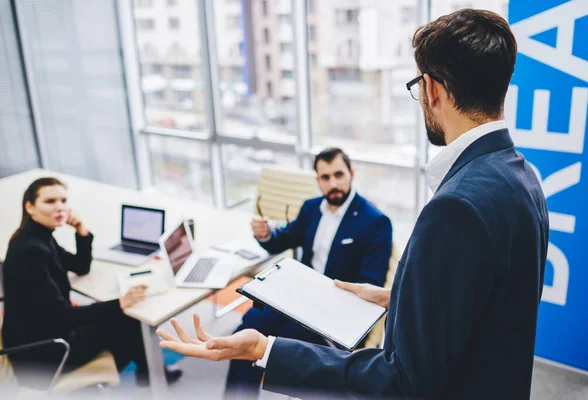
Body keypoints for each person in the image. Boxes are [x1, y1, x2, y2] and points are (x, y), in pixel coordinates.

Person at [157, 9, 550, 400]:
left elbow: (404, 381)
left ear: (432, 89)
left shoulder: (456, 207)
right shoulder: (523, 178)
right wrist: (399, 297)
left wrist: (265, 350)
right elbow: (487, 305)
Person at [225, 147, 393, 398]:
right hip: (296, 300)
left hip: (332, 314)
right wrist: (266, 234)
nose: (333, 183)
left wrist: (325, 300)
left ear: (351, 173)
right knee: (244, 332)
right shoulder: (311, 208)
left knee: (276, 345)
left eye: (339, 174)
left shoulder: (375, 222)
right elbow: (282, 239)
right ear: (318, 180)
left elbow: (371, 284)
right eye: (325, 178)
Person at [1, 177, 182, 388]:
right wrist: (120, 303)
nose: (60, 207)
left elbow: (80, 266)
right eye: (50, 201)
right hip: (42, 354)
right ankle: (149, 375)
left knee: (122, 318)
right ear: (30, 207)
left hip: (40, 334)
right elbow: (63, 317)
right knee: (129, 321)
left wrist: (81, 230)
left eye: (63, 200)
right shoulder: (31, 251)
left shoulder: (38, 237)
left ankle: (147, 373)